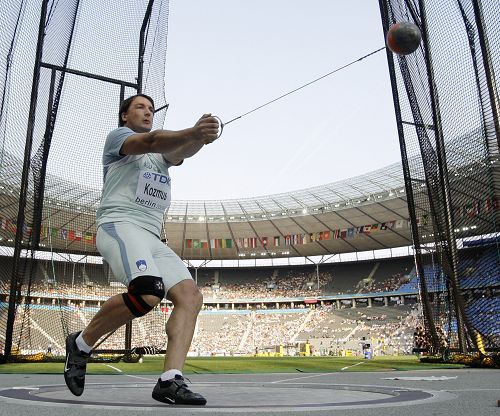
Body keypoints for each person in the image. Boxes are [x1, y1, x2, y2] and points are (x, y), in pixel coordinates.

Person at [63, 94, 219, 405]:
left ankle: (170, 380)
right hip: (119, 225)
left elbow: (181, 150)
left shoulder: (162, 157)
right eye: (140, 107)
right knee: (148, 291)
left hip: (150, 236)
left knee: (191, 297)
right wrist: (193, 131)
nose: (147, 112)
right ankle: (81, 344)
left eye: (150, 109)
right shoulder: (119, 140)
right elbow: (150, 141)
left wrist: (199, 138)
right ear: (124, 116)